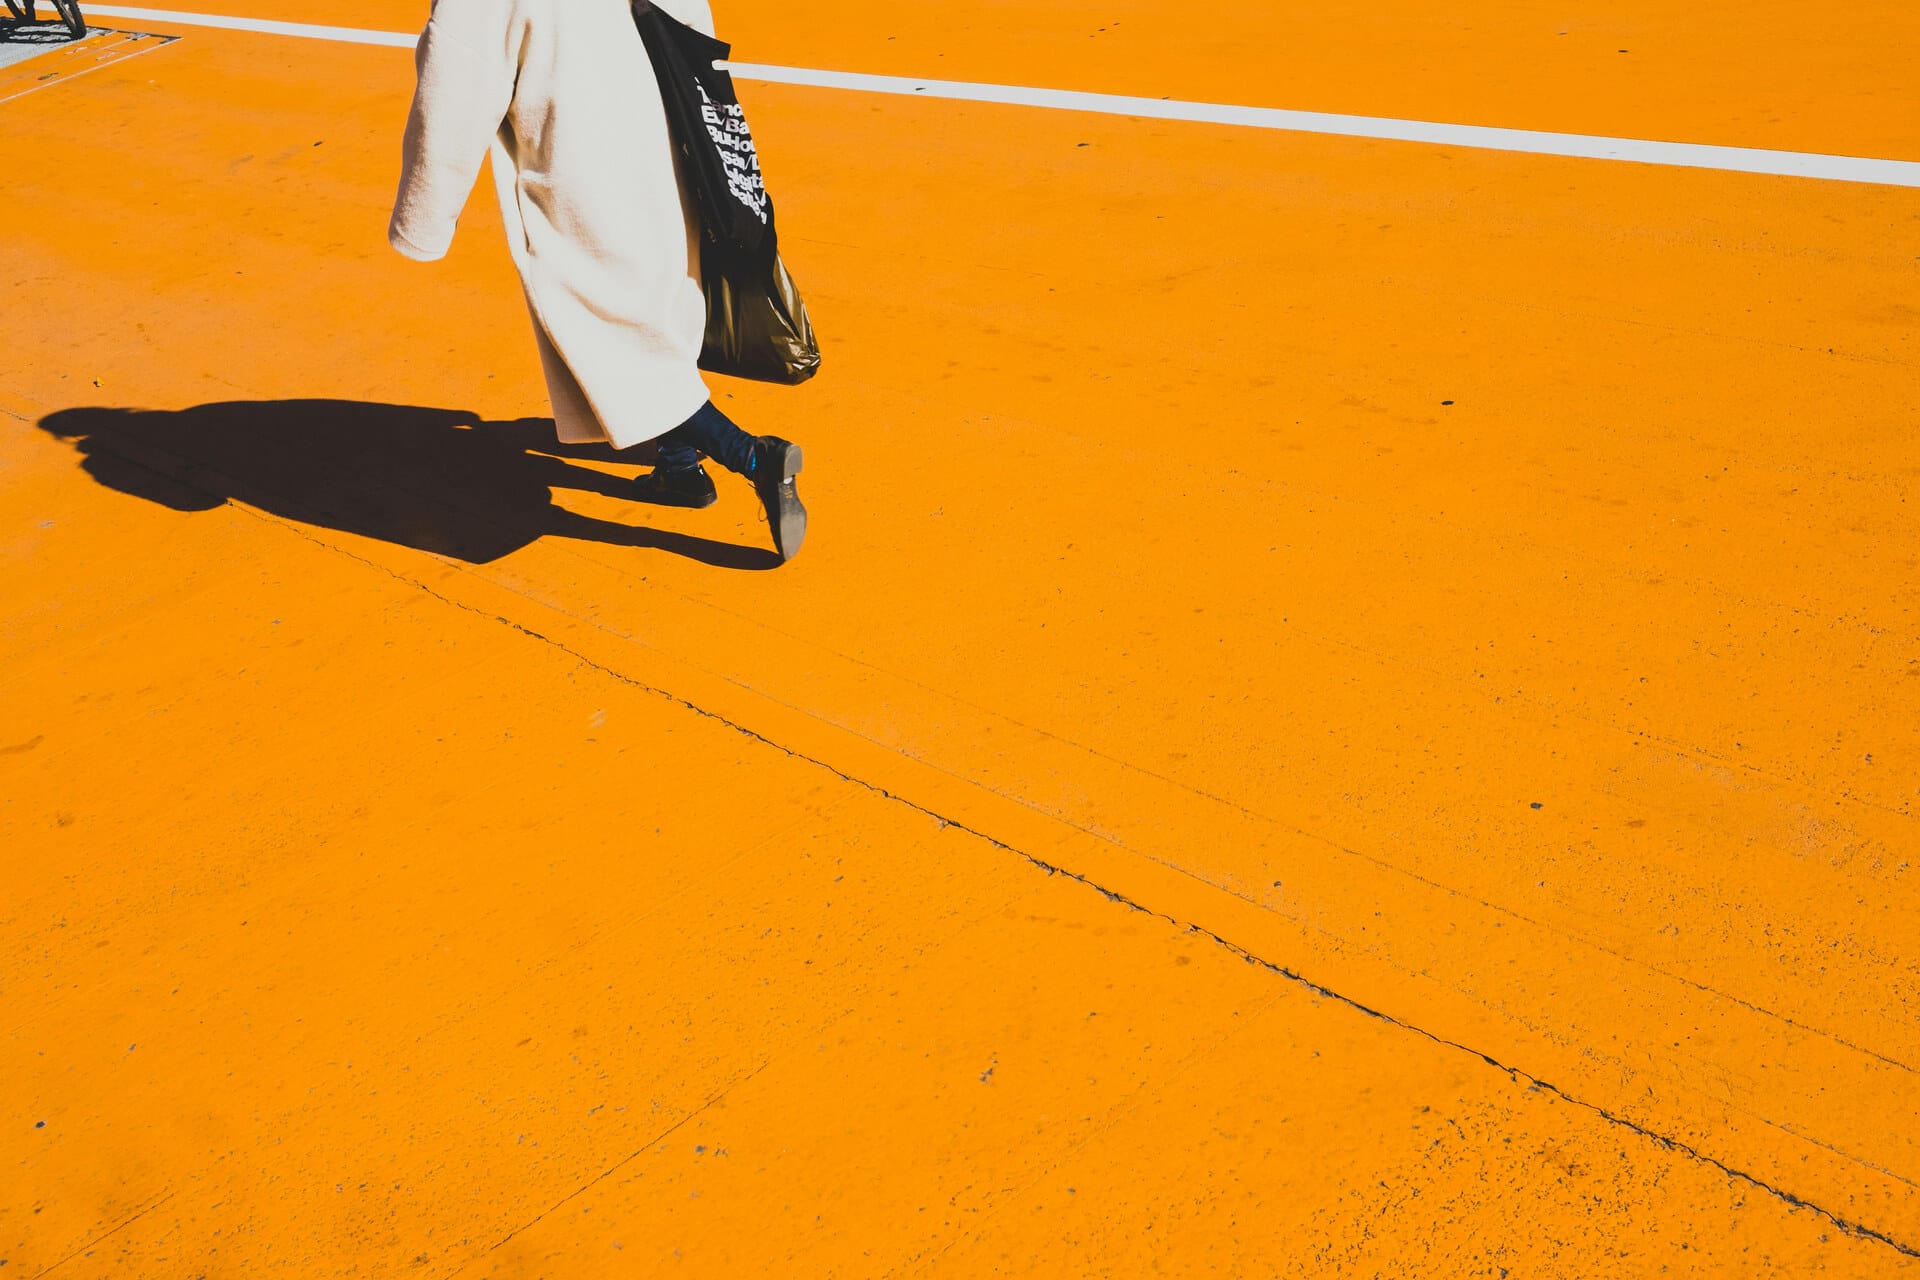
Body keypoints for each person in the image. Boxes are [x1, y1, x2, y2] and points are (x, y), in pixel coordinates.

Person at [388, 0, 805, 561]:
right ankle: (679, 469)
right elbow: (692, 23)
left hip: (579, 169)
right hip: (665, 145)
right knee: (659, 310)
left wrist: (423, 221)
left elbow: (455, 85)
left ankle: (754, 456)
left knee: (611, 335)